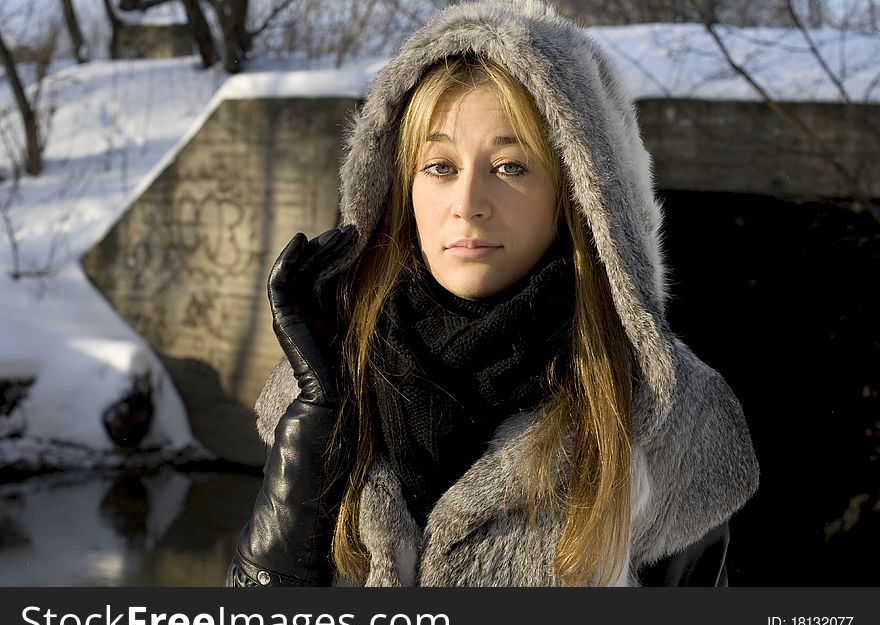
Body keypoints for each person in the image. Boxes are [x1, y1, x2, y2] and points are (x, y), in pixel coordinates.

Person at [225, 0, 759, 588]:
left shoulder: (664, 420)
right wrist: (316, 428)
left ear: (577, 193)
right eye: (439, 167)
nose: (468, 202)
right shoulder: (331, 392)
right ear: (402, 190)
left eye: (509, 166)